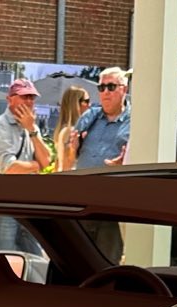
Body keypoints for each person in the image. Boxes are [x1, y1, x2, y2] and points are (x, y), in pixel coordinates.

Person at [69, 68, 132, 262]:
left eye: (111, 87)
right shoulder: (90, 117)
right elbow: (70, 155)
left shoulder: (135, 122)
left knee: (107, 262)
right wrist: (72, 147)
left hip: (111, 205)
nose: (105, 92)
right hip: (82, 202)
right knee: (78, 260)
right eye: (101, 87)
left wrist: (124, 164)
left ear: (124, 89)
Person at [0, 78, 51, 254]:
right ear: (10, 99)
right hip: (4, 203)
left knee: (35, 257)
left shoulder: (31, 127)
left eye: (32, 97)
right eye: (24, 97)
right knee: (5, 255)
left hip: (29, 203)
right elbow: (10, 168)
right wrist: (36, 165)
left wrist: (32, 130)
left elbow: (47, 160)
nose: (29, 101)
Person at [54, 85, 90, 171]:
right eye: (86, 101)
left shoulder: (69, 130)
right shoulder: (69, 131)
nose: (89, 105)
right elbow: (66, 165)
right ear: (75, 104)